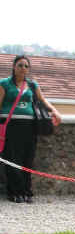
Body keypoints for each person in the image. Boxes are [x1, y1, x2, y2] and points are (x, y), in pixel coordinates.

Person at [0, 55, 62, 203]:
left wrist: (55, 111)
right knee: (12, 159)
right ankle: (14, 192)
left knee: (27, 159)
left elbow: (43, 100)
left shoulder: (32, 85)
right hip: (10, 126)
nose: (23, 68)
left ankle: (26, 191)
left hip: (29, 127)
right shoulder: (4, 84)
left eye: (26, 66)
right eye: (20, 65)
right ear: (14, 67)